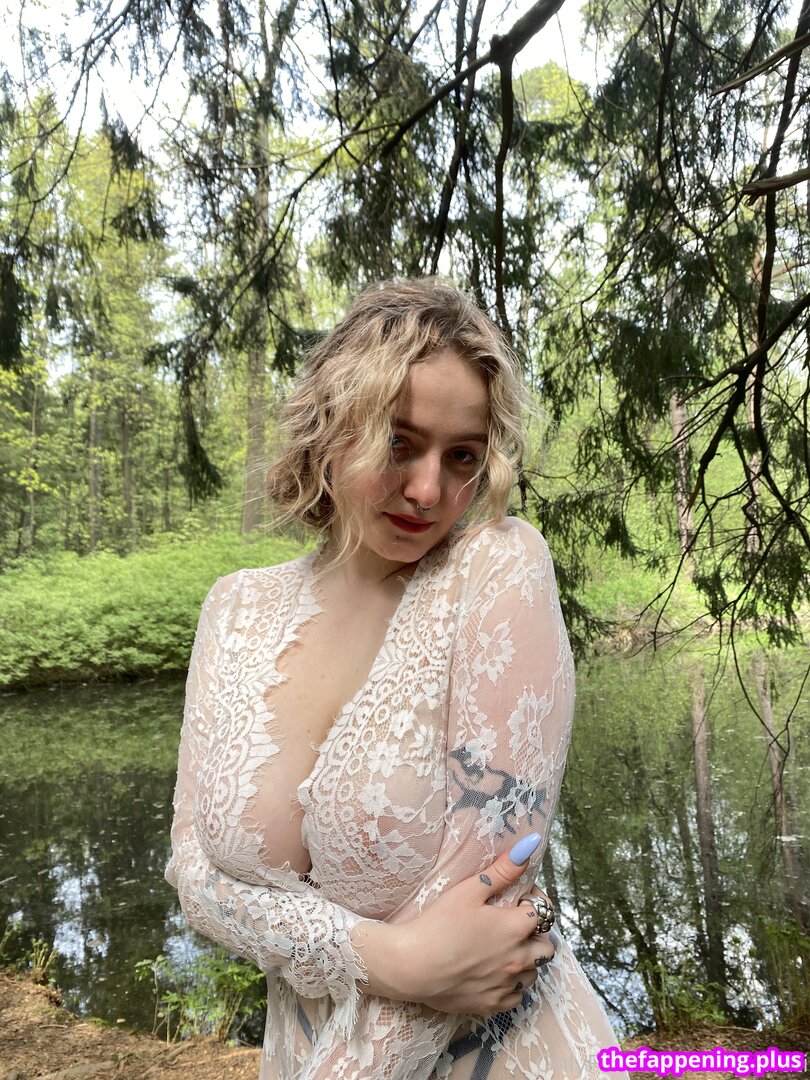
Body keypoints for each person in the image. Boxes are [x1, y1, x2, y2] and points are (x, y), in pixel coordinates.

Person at [165, 278, 627, 1079]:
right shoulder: (234, 609)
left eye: (462, 457)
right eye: (399, 442)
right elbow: (193, 877)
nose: (428, 491)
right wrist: (393, 959)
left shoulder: (496, 572)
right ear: (332, 426)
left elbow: (480, 926)